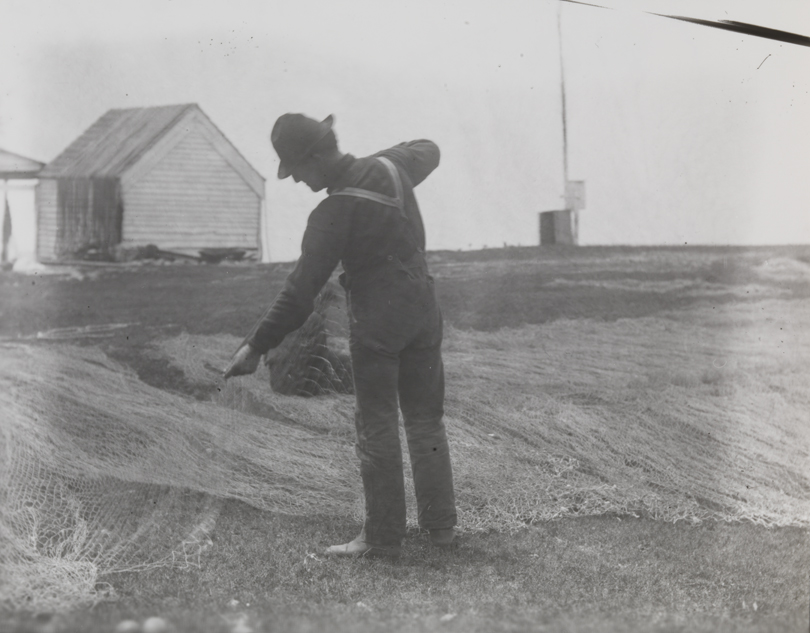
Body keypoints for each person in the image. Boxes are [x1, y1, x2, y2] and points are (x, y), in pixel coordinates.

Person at [224, 113, 457, 557]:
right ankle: (441, 530)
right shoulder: (392, 167)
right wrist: (385, 161)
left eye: (298, 170)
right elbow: (429, 148)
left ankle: (383, 537)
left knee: (377, 422)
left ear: (316, 156)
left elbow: (299, 293)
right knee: (426, 419)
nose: (298, 182)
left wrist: (256, 346)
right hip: (424, 307)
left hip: (378, 318)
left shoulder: (332, 212)